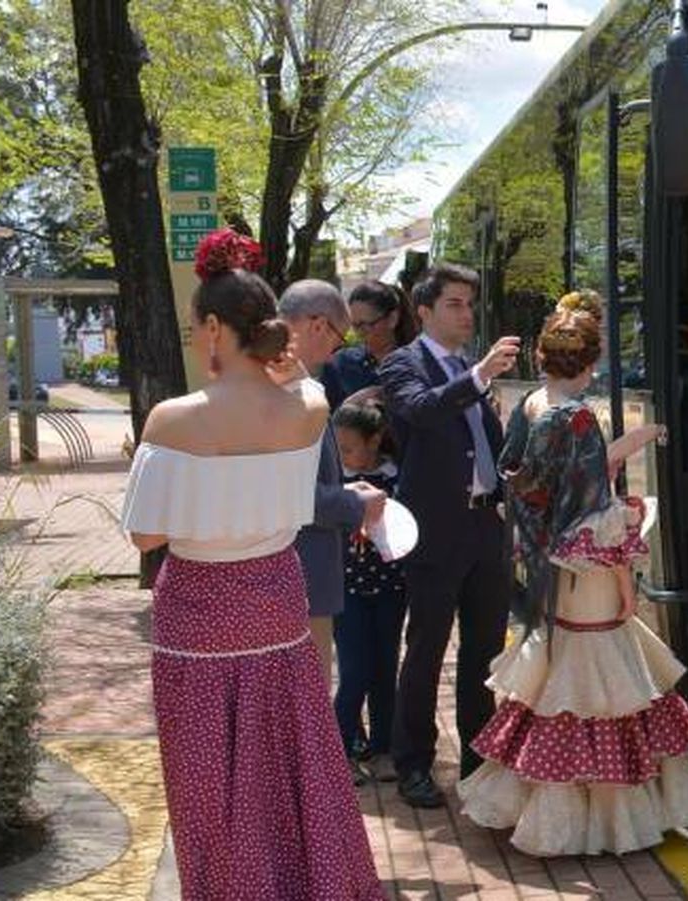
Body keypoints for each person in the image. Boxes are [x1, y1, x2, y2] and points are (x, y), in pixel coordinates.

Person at [119, 229, 383, 899]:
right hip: (276, 598)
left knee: (208, 778)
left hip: (200, 611)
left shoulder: (173, 419)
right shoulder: (309, 409)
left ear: (213, 327)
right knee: (293, 762)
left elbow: (146, 536)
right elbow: (301, 385)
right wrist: (285, 367)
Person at [457, 290, 688, 857]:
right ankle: (606, 818)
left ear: (541, 359)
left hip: (550, 558)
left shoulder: (530, 405)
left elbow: (528, 479)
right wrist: (626, 585)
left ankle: (553, 809)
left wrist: (617, 452)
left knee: (562, 685)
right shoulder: (576, 417)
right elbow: (597, 509)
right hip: (589, 570)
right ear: (594, 363)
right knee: (604, 688)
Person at [378, 262, 520, 809]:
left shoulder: (464, 366)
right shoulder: (403, 365)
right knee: (427, 650)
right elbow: (419, 412)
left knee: (485, 652)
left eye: (469, 305)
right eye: (455, 304)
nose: (466, 314)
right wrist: (479, 377)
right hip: (436, 532)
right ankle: (413, 761)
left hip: (487, 528)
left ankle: (478, 762)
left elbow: (484, 448)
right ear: (425, 311)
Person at [279, 280, 387, 689]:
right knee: (306, 705)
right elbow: (292, 495)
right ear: (318, 326)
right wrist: (354, 503)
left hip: (290, 577)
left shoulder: (272, 387)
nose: (335, 353)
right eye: (339, 340)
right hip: (299, 576)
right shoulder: (294, 392)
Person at [332, 392, 406, 784]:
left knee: (384, 669)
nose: (342, 455)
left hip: (391, 587)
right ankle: (338, 751)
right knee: (354, 670)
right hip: (347, 590)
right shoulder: (336, 482)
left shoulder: (396, 476)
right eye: (337, 447)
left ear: (375, 440)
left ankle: (382, 750)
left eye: (349, 447)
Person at [322, 281, 418, 409]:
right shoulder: (341, 364)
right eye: (355, 326)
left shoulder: (420, 362)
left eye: (365, 325)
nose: (359, 334)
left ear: (392, 319)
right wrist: (350, 407)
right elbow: (323, 421)